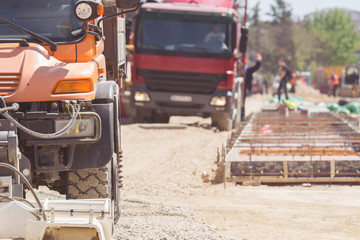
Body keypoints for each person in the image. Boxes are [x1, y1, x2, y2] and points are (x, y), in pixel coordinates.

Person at [241, 53, 262, 120]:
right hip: (238, 88)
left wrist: (259, 62)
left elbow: (256, 67)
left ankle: (242, 116)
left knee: (242, 102)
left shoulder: (248, 71)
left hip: (244, 89)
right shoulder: (238, 70)